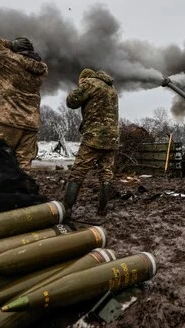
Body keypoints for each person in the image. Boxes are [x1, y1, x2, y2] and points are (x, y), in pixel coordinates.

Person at [0, 35, 48, 174]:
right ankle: (21, 193)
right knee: (23, 168)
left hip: (7, 121)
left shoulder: (10, 60)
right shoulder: (41, 69)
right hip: (30, 124)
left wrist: (9, 44)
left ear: (17, 49)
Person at [63, 68, 119, 217]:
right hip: (112, 139)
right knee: (106, 175)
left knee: (78, 172)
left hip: (94, 137)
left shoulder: (90, 83)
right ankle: (102, 210)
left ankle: (66, 210)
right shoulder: (112, 89)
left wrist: (82, 84)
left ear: (84, 78)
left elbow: (71, 102)